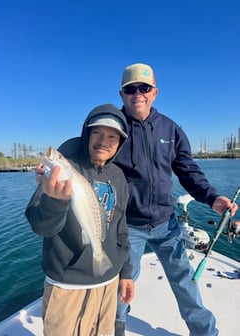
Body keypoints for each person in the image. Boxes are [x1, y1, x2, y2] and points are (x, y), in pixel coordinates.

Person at [112, 63, 239, 336]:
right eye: (130, 89)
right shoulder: (113, 127)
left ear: (155, 92)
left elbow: (188, 171)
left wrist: (213, 198)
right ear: (121, 94)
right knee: (122, 286)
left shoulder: (170, 129)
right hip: (127, 226)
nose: (138, 94)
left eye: (144, 88)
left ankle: (206, 332)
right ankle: (115, 329)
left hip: (166, 223)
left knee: (185, 281)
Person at [25, 103, 135, 336]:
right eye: (97, 132)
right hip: (67, 285)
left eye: (112, 136)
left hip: (108, 283)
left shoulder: (119, 176)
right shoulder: (59, 174)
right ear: (86, 133)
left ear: (119, 143)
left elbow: (121, 229)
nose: (104, 141)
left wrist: (125, 272)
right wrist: (55, 200)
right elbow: (41, 226)